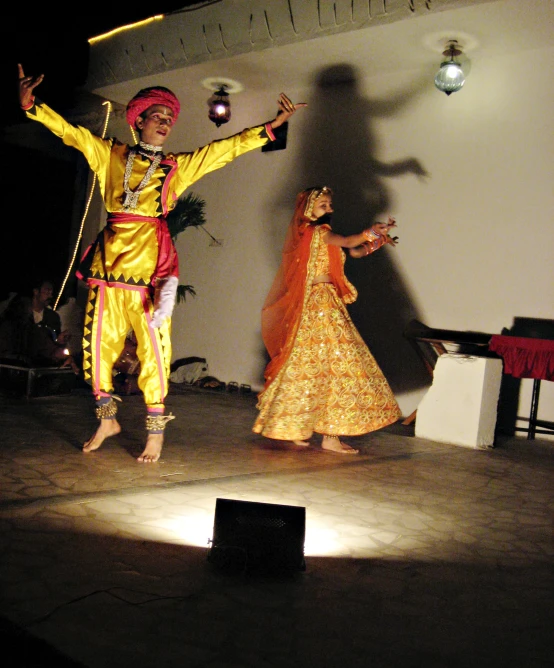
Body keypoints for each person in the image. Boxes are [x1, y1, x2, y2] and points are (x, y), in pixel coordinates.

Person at [18, 62, 306, 462]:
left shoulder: (176, 167)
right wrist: (33, 106)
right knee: (96, 348)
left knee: (154, 352)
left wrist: (270, 127)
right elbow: (73, 135)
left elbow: (222, 151)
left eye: (170, 118)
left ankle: (155, 432)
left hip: (149, 276)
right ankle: (107, 418)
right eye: (159, 115)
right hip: (107, 270)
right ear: (140, 120)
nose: (166, 122)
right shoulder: (112, 155)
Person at [252, 186, 401, 453]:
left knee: (307, 364)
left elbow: (354, 252)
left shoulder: (319, 235)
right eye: (324, 205)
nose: (329, 209)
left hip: (322, 301)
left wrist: (377, 242)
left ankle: (296, 428)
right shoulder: (316, 232)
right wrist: (372, 231)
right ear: (310, 208)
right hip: (321, 304)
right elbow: (348, 242)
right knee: (341, 362)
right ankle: (328, 436)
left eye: (330, 205)